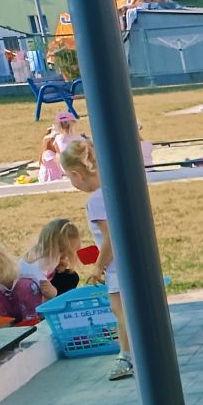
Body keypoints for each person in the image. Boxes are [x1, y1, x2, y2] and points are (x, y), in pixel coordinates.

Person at [59, 137, 132, 380]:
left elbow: (112, 238)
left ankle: (128, 356)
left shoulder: (96, 200)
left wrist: (98, 267)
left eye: (69, 177)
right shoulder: (115, 190)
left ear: (76, 174)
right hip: (130, 262)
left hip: (117, 267)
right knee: (127, 309)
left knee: (121, 311)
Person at [0, 239, 43, 326]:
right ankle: (4, 325)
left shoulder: (23, 271)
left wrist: (50, 294)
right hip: (6, 316)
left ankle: (31, 323)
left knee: (24, 285)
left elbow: (48, 294)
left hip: (33, 312)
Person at [21, 216, 85, 299]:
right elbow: (40, 287)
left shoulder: (43, 252)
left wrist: (60, 263)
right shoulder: (42, 262)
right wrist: (53, 294)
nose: (65, 256)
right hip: (31, 291)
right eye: (63, 251)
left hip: (42, 283)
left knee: (71, 276)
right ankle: (59, 301)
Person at [39, 108, 80, 182]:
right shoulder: (79, 138)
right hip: (73, 169)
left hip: (65, 170)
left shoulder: (58, 139)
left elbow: (58, 155)